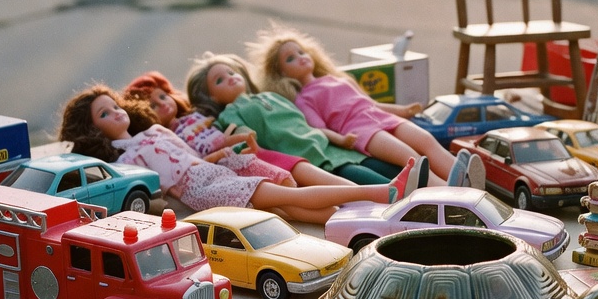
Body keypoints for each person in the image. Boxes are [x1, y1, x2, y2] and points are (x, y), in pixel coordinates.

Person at [59, 85, 423, 225]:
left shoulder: (153, 130)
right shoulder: (122, 160)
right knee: (287, 198)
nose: (116, 114)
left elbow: (192, 156)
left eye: (114, 106)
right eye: (104, 115)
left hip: (212, 172)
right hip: (200, 190)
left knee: (287, 206)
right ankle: (376, 194)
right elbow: (161, 189)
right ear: (93, 130)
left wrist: (225, 156)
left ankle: (364, 222)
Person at [250, 26, 459, 184]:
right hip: (360, 129)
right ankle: (447, 190)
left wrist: (403, 111)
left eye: (301, 52)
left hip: (377, 115)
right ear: (281, 73)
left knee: (426, 139)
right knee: (409, 156)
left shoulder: (339, 79)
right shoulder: (304, 99)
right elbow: (318, 128)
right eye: (290, 59)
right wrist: (342, 139)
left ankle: (459, 173)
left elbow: (371, 103)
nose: (300, 58)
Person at [185, 52, 399, 186]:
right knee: (361, 176)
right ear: (211, 95)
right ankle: (398, 193)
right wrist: (244, 136)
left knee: (376, 163)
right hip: (306, 154)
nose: (231, 78)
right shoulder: (230, 113)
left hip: (328, 144)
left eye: (232, 73)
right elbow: (240, 136)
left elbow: (305, 121)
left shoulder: (269, 95)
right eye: (220, 80)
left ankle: (413, 182)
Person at [122, 71, 356, 188]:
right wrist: (234, 139)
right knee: (292, 180)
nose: (163, 103)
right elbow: (205, 147)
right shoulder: (170, 135)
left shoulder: (196, 115)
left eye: (163, 96)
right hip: (228, 163)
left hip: (246, 151)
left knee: (297, 167)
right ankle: (358, 194)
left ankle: (358, 192)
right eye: (153, 105)